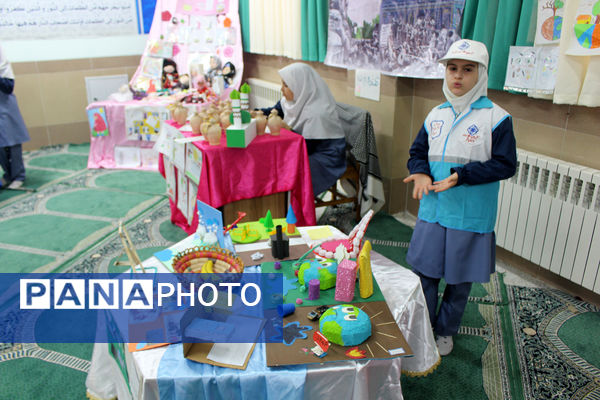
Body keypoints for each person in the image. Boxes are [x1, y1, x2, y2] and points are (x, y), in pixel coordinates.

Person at [403, 39, 517, 356]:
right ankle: (423, 326)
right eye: (452, 68)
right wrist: (422, 172)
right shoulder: (434, 115)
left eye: (468, 70)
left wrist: (462, 176)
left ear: (480, 74)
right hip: (433, 212)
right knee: (424, 273)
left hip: (470, 216)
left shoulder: (497, 118)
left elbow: (506, 164)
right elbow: (417, 153)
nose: (458, 76)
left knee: (459, 280)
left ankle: (445, 331)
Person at [259, 63, 346, 197]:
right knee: (272, 161)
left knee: (290, 170)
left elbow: (307, 147)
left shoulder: (317, 112)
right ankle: (278, 204)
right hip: (305, 148)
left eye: (286, 85)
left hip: (325, 155)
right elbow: (273, 111)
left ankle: (294, 209)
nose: (282, 89)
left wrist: (288, 128)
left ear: (301, 86)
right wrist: (256, 113)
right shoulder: (291, 102)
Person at [0, 44, 29, 189]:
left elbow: (8, 86)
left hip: (5, 107)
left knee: (13, 143)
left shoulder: (4, 67)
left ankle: (19, 175)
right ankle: (8, 174)